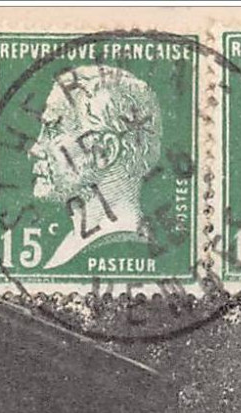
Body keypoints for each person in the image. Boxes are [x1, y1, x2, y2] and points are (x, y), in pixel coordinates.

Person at [28, 65, 162, 269]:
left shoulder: (114, 245)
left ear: (105, 152)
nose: (34, 149)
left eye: (53, 131)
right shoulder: (73, 244)